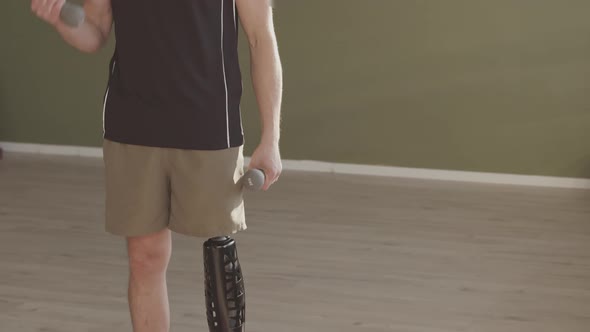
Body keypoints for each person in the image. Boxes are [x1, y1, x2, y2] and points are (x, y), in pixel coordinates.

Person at [31, 0, 283, 331]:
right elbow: (94, 31)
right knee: (145, 258)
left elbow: (260, 37)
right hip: (133, 124)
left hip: (208, 123)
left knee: (220, 256)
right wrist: (60, 16)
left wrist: (271, 138)